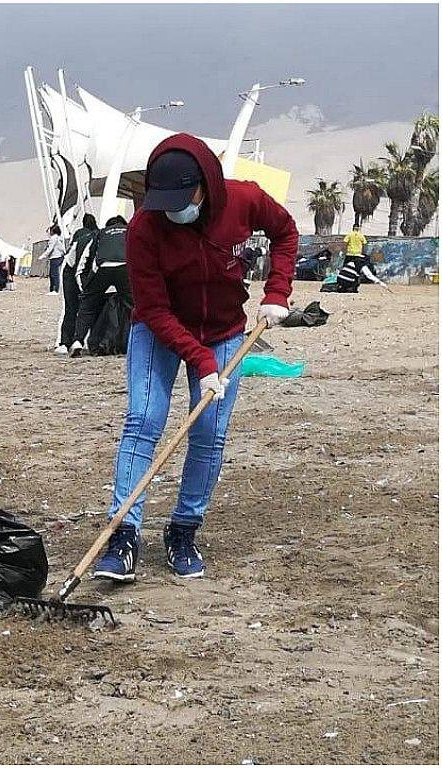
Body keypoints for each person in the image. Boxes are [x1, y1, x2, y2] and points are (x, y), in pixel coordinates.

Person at [90, 134, 296, 583]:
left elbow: (285, 232)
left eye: (182, 200)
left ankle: (183, 530)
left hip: (224, 330)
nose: (173, 211)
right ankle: (123, 533)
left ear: (206, 185)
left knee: (209, 431)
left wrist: (277, 292)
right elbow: (156, 310)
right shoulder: (145, 228)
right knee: (143, 421)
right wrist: (202, 363)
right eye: (164, 202)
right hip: (159, 331)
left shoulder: (244, 200)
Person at [70, 215, 132, 355]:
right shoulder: (130, 231)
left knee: (88, 307)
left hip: (102, 266)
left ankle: (77, 341)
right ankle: (139, 342)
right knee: (133, 307)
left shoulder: (100, 233)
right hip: (125, 265)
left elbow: (85, 259)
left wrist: (85, 289)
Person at [58, 213, 99, 354]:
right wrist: (84, 290)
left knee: (71, 309)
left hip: (71, 270)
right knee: (76, 307)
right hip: (73, 271)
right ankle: (67, 342)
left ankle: (66, 342)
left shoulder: (82, 235)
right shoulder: (91, 239)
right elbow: (78, 269)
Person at [42, 224, 67, 294]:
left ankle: (55, 290)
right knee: (52, 274)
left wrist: (43, 256)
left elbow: (50, 248)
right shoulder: (58, 238)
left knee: (54, 274)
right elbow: (61, 248)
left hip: (56, 257)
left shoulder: (54, 238)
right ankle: (52, 289)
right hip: (57, 257)